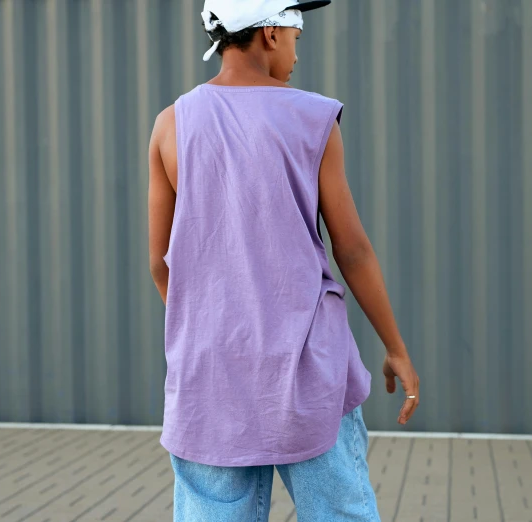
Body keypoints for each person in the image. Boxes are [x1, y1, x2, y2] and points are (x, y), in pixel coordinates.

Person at [148, 1, 420, 520]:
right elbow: (353, 248)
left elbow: (163, 264)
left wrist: (213, 329)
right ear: (272, 33)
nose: (296, 52)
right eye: (297, 35)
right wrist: (395, 347)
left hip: (210, 377)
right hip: (307, 371)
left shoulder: (169, 125)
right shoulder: (313, 117)